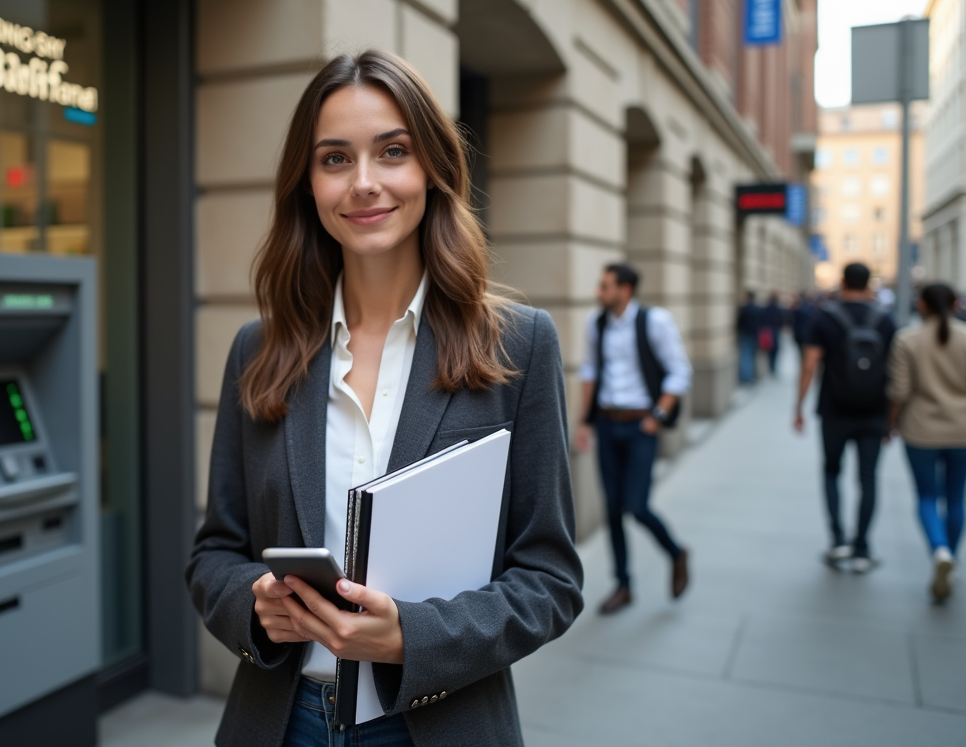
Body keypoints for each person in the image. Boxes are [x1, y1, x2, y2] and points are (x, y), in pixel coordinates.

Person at [186, 50, 584, 747]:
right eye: (335, 159)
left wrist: (411, 636)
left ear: (431, 168)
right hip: (283, 723)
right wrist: (255, 609)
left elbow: (550, 580)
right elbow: (215, 552)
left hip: (438, 722)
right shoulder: (261, 348)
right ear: (307, 184)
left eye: (392, 152)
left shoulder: (518, 345)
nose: (364, 183)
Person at [575, 263, 692, 615]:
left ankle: (676, 552)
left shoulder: (655, 322)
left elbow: (679, 370)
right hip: (609, 424)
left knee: (637, 506)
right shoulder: (596, 324)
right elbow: (591, 371)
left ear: (625, 290)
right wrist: (585, 422)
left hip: (642, 425)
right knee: (612, 510)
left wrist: (657, 416)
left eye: (605, 286)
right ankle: (623, 584)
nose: (600, 293)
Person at [794, 263, 896, 573]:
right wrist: (892, 419)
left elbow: (810, 364)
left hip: (834, 410)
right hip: (874, 411)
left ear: (842, 282)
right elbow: (895, 373)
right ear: (868, 284)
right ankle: (862, 548)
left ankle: (838, 541)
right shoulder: (885, 320)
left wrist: (798, 407)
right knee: (868, 480)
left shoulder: (825, 317)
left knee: (831, 473)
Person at [887, 283, 966, 602]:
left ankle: (939, 550)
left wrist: (890, 424)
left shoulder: (907, 339)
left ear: (922, 305)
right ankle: (951, 557)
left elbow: (899, 392)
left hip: (921, 430)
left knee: (927, 495)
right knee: (956, 498)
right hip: (962, 431)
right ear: (956, 303)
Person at [736, 291, 761, 384]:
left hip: (746, 334)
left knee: (745, 356)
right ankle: (750, 376)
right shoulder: (758, 309)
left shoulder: (744, 308)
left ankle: (746, 377)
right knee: (752, 356)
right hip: (755, 334)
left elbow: (739, 322)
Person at [763, 292, 784, 377]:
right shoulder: (778, 308)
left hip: (768, 330)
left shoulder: (767, 307)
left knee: (770, 349)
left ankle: (771, 367)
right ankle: (773, 368)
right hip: (775, 330)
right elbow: (781, 319)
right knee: (775, 349)